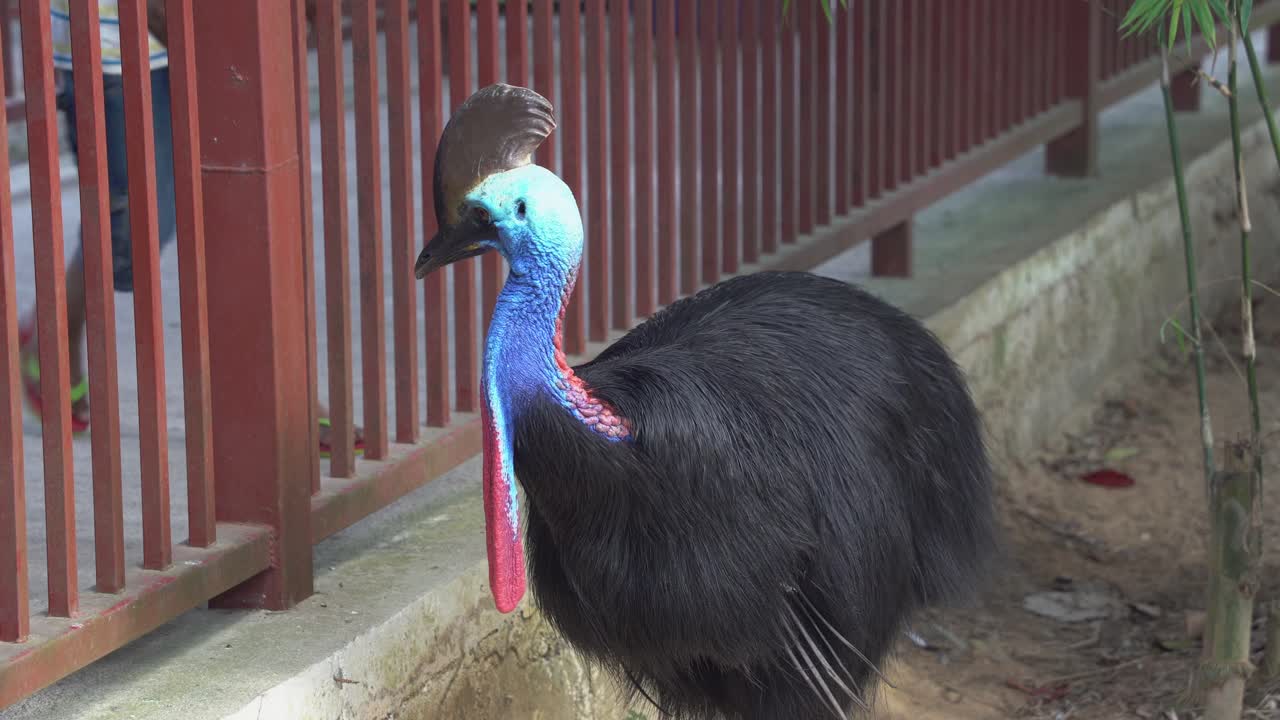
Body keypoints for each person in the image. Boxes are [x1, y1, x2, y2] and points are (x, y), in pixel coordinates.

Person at [20, 1, 362, 457]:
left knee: (233, 212)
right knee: (130, 236)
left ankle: (277, 393)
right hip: (114, 52)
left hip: (204, 36)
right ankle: (50, 334)